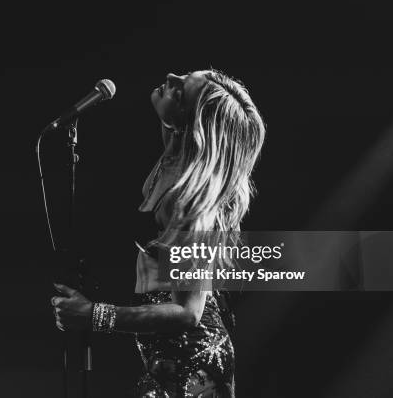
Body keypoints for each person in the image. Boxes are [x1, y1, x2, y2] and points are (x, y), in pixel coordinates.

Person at [51, 69, 266, 397]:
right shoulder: (174, 154)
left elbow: (187, 313)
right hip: (168, 356)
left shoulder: (190, 199)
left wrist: (95, 315)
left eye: (181, 90)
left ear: (191, 121)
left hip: (193, 362)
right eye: (182, 76)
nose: (171, 77)